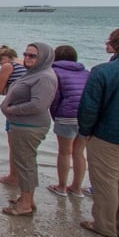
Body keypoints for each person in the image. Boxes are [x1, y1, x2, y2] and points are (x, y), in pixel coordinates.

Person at [0, 43, 57, 217]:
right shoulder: (34, 73)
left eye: (32, 56)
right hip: (22, 125)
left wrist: (12, 110)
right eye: (26, 54)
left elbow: (39, 104)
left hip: (29, 126)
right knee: (25, 162)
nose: (27, 58)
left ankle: (25, 204)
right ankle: (27, 198)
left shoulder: (45, 77)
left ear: (44, 58)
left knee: (25, 164)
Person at [78, 28, 119, 237]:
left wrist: (86, 130)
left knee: (106, 181)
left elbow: (89, 106)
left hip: (108, 134)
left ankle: (105, 225)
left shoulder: (103, 71)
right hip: (110, 131)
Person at [47, 45, 90, 198]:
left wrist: (55, 115)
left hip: (66, 115)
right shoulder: (86, 73)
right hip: (86, 116)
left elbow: (55, 97)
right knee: (79, 152)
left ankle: (62, 186)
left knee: (64, 152)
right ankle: (77, 188)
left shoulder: (54, 72)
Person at [0, 45, 27, 186]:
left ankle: (13, 176)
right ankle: (23, 176)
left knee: (13, 144)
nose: (0, 65)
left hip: (15, 107)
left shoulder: (8, 66)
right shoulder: (26, 63)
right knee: (25, 146)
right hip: (30, 108)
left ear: (4, 58)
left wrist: (10, 89)